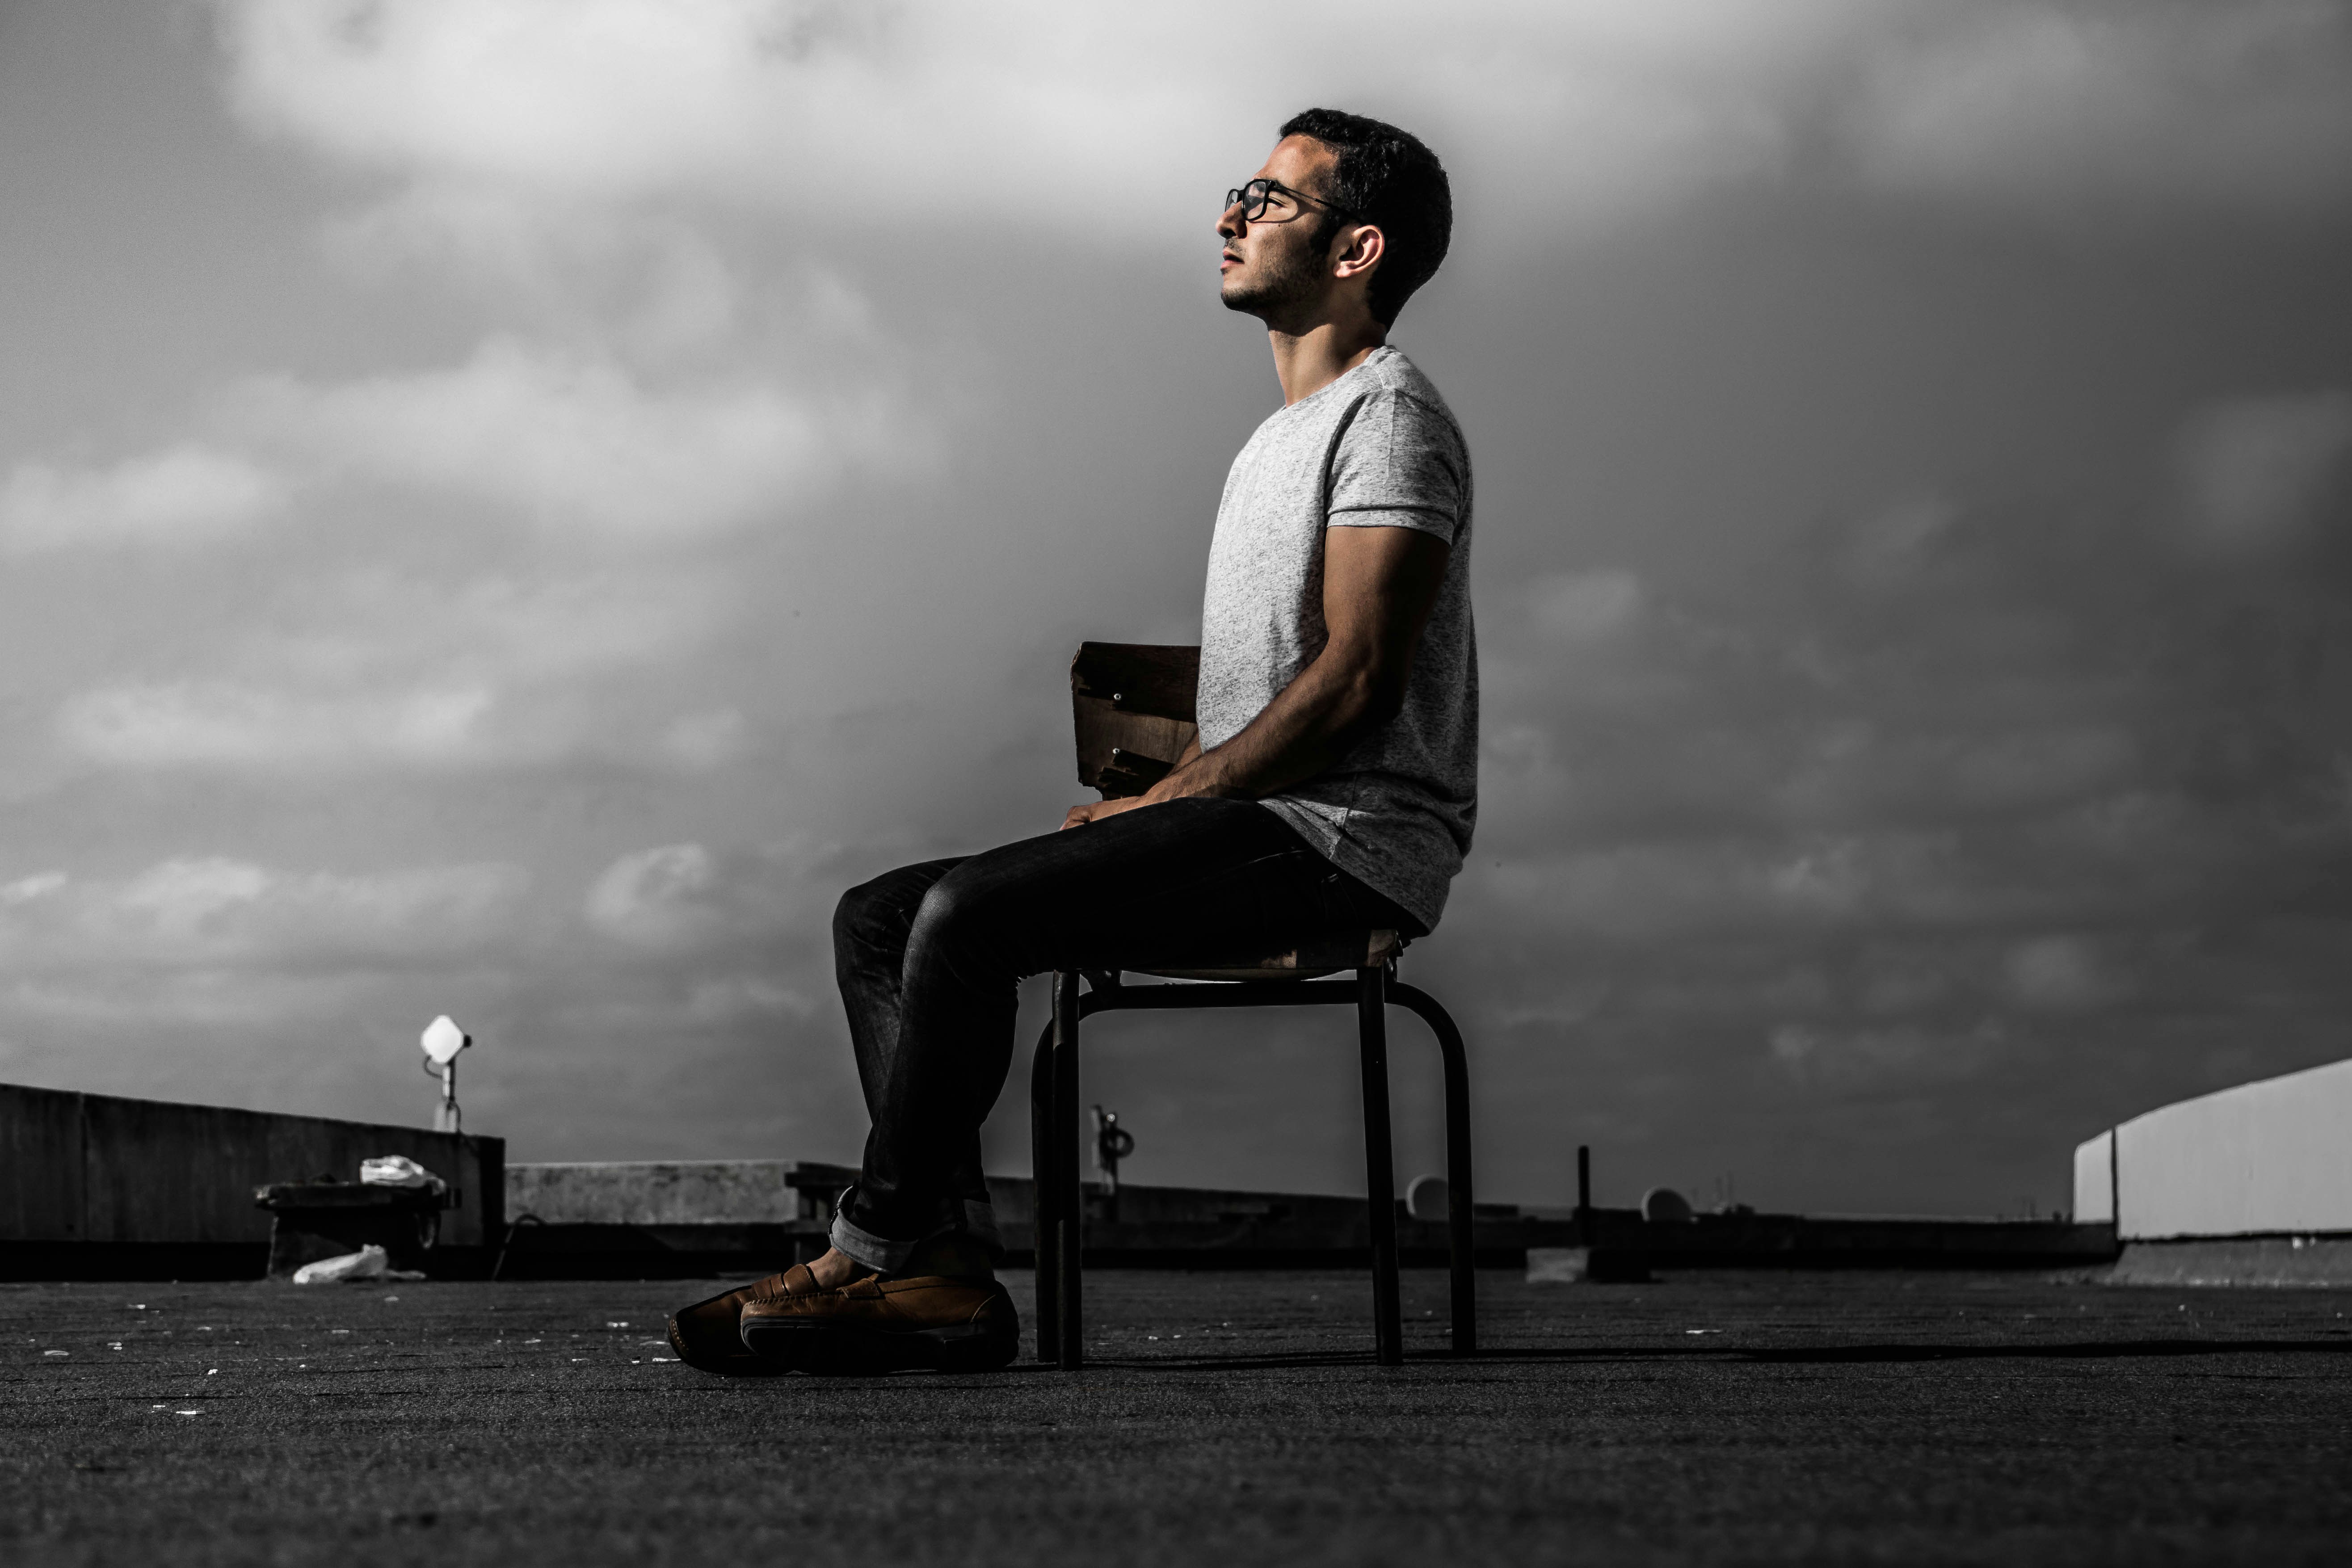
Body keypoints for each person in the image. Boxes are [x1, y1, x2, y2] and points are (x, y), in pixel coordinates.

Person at [668, 108, 1475, 1376]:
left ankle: (871, 1254)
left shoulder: (1391, 422)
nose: (1230, 216)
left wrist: (1175, 803)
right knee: (880, 917)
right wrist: (1162, 744)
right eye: (1238, 195)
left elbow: (1362, 679)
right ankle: (934, 1273)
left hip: (1345, 841)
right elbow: (1294, 667)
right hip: (1255, 817)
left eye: (1269, 201)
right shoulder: (1274, 443)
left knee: (970, 920)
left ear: (1359, 248)